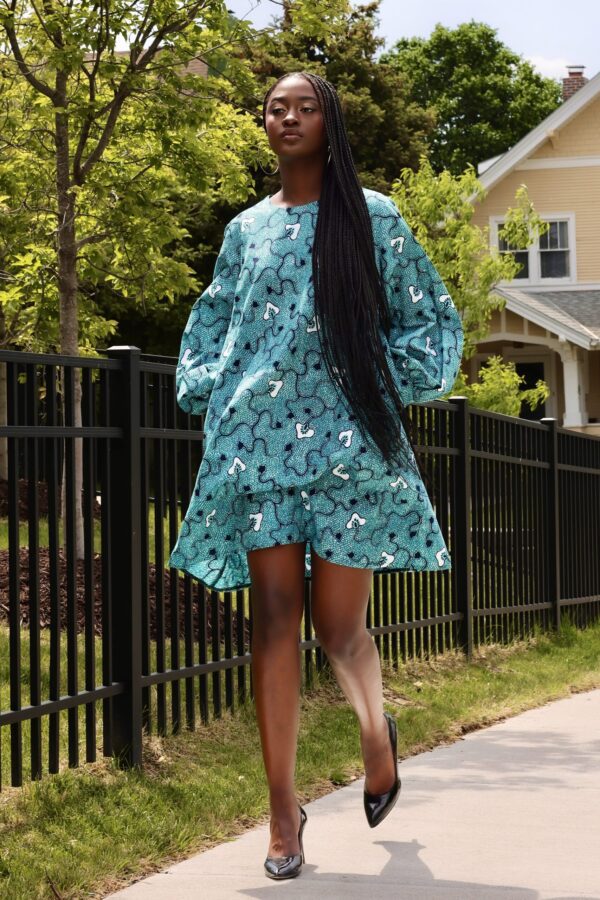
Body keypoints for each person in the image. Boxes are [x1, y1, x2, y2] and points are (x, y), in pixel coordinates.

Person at [168, 71, 464, 880]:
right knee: (271, 621)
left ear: (330, 122)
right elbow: (213, 318)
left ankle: (377, 735)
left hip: (351, 452)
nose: (289, 116)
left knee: (338, 628)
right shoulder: (246, 230)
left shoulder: (374, 218)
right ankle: (281, 815)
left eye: (305, 106)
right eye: (275, 107)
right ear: (263, 124)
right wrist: (210, 385)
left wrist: (377, 378)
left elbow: (428, 319)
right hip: (258, 450)